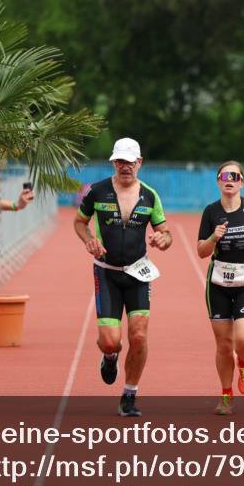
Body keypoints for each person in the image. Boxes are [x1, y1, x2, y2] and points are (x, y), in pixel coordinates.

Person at [73, 137, 172, 417]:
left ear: (139, 163)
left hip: (138, 274)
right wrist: (89, 240)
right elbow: (79, 222)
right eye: (120, 161)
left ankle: (129, 395)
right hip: (107, 273)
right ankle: (110, 356)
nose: (125, 166)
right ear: (113, 163)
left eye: (130, 161)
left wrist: (163, 239)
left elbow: (166, 232)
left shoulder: (150, 196)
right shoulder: (97, 191)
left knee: (139, 337)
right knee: (109, 340)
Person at [197, 161, 244, 415]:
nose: (230, 179)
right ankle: (226, 395)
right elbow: (201, 252)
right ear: (218, 180)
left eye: (235, 175)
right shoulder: (210, 212)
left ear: (242, 182)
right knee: (224, 343)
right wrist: (213, 238)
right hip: (217, 283)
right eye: (225, 175)